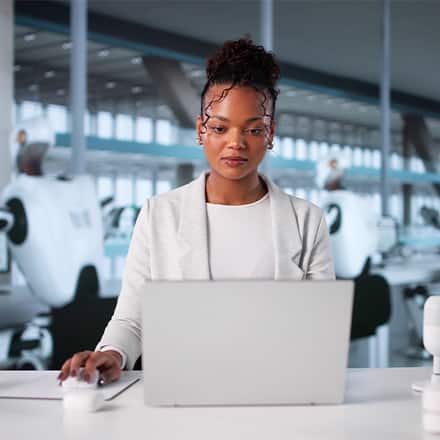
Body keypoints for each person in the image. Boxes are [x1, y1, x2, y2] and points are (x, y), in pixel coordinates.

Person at [58, 38, 335, 385]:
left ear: (271, 134)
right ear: (201, 131)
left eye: (253, 129)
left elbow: (321, 331)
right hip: (183, 392)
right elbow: (132, 317)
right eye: (219, 128)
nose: (236, 142)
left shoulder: (307, 221)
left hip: (279, 391)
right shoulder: (159, 215)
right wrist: (112, 354)